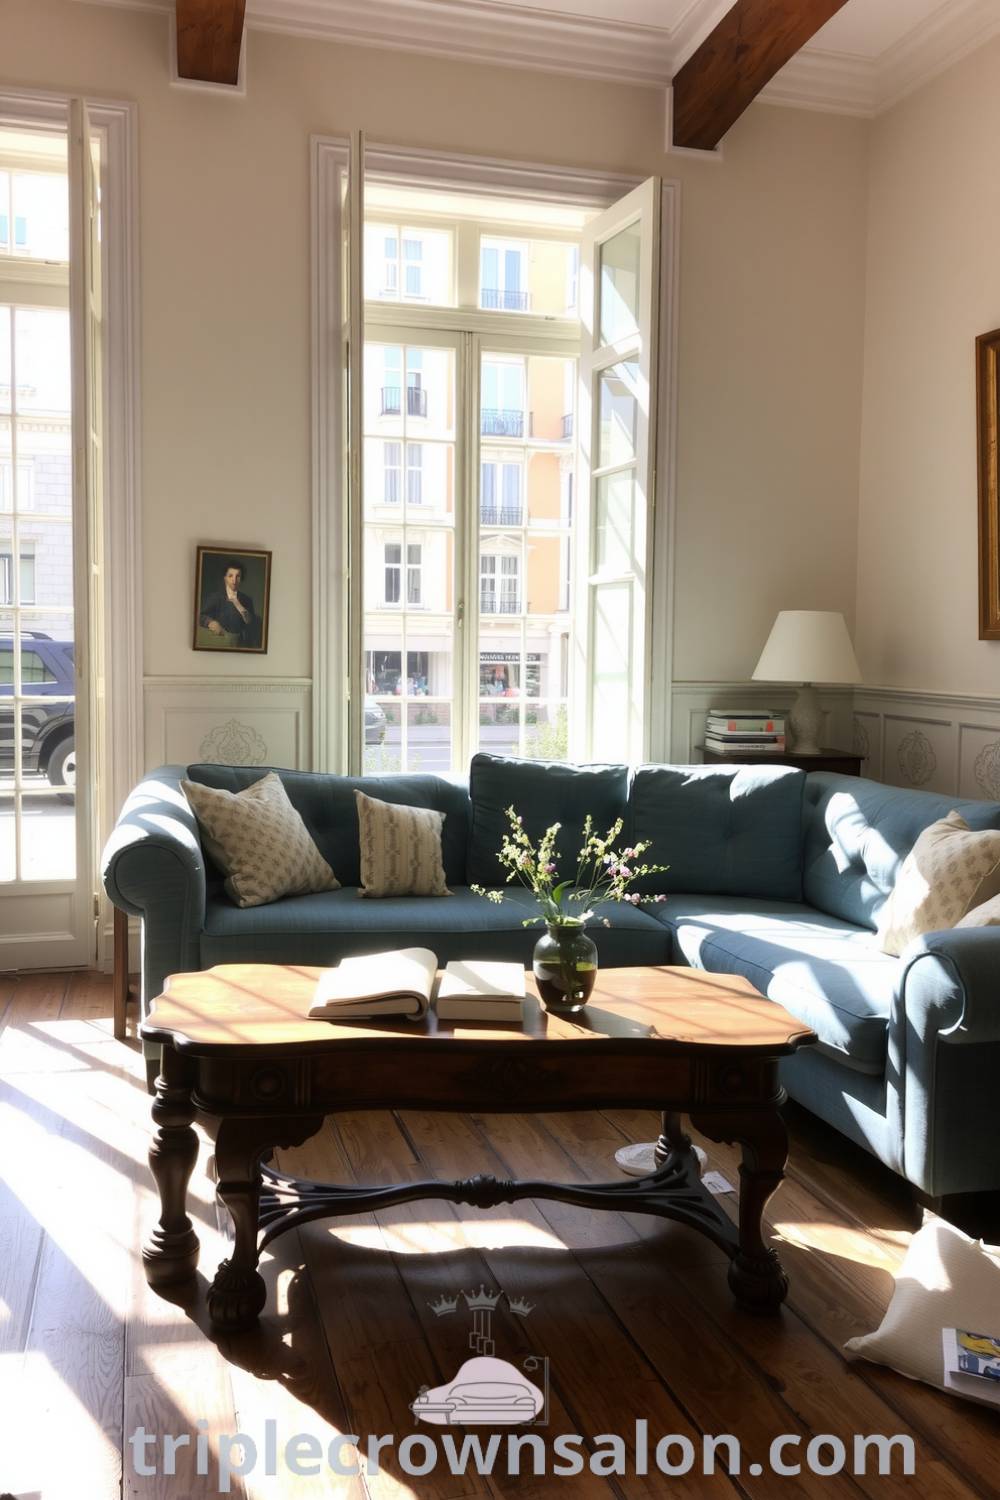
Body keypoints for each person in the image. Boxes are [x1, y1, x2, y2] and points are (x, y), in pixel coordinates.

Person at [200, 561, 261, 648]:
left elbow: (250, 622)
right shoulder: (216, 597)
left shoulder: (247, 599)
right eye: (230, 576)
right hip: (219, 642)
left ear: (241, 579)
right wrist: (210, 622)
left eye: (238, 576)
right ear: (225, 578)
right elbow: (201, 616)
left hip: (240, 645)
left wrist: (237, 603)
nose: (234, 580)